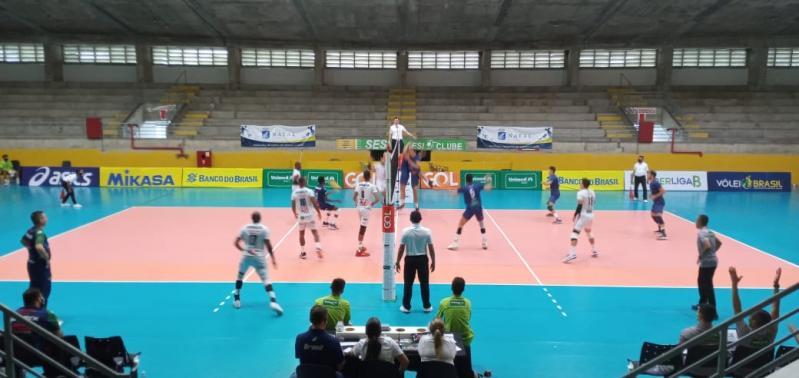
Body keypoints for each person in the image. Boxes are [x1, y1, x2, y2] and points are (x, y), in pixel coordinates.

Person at [232, 211, 283, 315]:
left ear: (252, 218)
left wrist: (244, 250)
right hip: (259, 257)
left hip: (246, 256)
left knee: (240, 275)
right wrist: (273, 258)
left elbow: (236, 243)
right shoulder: (264, 229)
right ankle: (273, 301)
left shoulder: (245, 228)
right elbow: (268, 245)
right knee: (266, 280)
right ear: (259, 219)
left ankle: (237, 299)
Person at [729, 266, 781, 348]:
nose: (749, 318)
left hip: (745, 360)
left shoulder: (745, 333)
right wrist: (776, 286)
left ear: (754, 322)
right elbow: (775, 310)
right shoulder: (771, 332)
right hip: (766, 360)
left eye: (751, 317)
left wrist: (734, 284)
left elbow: (737, 309)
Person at [395, 210, 435, 313]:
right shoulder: (427, 232)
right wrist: (433, 261)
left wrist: (398, 261)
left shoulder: (405, 232)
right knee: (424, 284)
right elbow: (431, 248)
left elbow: (401, 248)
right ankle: (427, 306)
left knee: (408, 284)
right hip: (423, 259)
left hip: (410, 260)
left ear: (410, 219)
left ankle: (406, 307)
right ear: (420, 219)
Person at [293, 305, 345, 378]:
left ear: (310, 320)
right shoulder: (333, 341)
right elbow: (340, 365)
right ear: (325, 321)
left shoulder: (300, 338)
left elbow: (300, 359)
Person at [437, 277, 474, 374]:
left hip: (450, 338)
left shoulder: (444, 302)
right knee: (466, 370)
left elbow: (438, 320)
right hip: (465, 338)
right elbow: (468, 318)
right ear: (463, 289)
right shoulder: (468, 303)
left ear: (451, 288)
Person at [448, 174, 491, 251]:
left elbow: (453, 194)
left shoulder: (464, 188)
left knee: (460, 224)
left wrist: (449, 190)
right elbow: (488, 188)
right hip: (478, 207)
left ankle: (455, 242)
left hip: (470, 208)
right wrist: (489, 181)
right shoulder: (477, 185)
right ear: (472, 180)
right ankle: (485, 242)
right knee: (481, 224)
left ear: (466, 180)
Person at [563, 178, 599, 263]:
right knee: (588, 231)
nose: (579, 184)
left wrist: (575, 214)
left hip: (583, 216)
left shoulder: (580, 193)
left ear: (583, 184)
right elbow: (594, 202)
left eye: (580, 183)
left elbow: (579, 205)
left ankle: (572, 254)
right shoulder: (592, 192)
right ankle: (594, 250)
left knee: (574, 233)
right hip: (591, 215)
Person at [21, 211, 53, 306]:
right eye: (45, 217)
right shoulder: (39, 233)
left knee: (33, 288)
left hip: (31, 264)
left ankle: (30, 312)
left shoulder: (30, 230)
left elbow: (23, 241)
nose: (47, 218)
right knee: (44, 290)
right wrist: (46, 257)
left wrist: (31, 252)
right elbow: (39, 246)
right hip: (40, 265)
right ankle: (41, 314)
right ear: (41, 220)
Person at [693, 214, 722, 310]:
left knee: (706, 285)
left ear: (700, 222)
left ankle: (711, 307)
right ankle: (703, 304)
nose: (695, 222)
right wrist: (713, 253)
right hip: (713, 261)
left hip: (707, 263)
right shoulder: (710, 232)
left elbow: (707, 245)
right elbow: (719, 243)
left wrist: (701, 255)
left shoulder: (702, 233)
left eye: (697, 220)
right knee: (704, 283)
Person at [292, 177, 323, 259]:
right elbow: (314, 202)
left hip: (301, 217)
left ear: (298, 183)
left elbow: (292, 205)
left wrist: (294, 213)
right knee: (315, 232)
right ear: (305, 182)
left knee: (301, 234)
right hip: (310, 216)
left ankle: (303, 253)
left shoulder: (294, 192)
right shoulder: (309, 191)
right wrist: (319, 212)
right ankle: (318, 248)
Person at [354, 170, 381, 257]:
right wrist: (372, 203)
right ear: (370, 177)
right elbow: (377, 199)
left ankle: (361, 246)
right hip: (366, 209)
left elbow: (354, 197)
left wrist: (356, 203)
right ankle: (359, 249)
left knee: (362, 227)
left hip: (359, 208)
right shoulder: (372, 186)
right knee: (362, 228)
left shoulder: (359, 184)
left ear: (363, 176)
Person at [398, 145, 422, 210]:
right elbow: (402, 153)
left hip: (413, 169)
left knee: (415, 189)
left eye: (411, 150)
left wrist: (409, 161)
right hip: (405, 168)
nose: (410, 151)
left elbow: (418, 167)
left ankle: (416, 206)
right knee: (402, 186)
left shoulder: (416, 157)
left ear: (413, 151)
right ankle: (402, 203)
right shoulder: (405, 154)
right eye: (409, 150)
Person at [648, 170, 667, 240]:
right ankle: (660, 228)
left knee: (658, 215)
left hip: (659, 202)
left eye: (648, 174)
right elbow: (655, 191)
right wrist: (651, 195)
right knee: (653, 215)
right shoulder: (651, 183)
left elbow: (663, 191)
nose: (647, 175)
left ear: (652, 175)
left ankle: (664, 234)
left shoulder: (655, 182)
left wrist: (655, 196)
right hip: (656, 202)